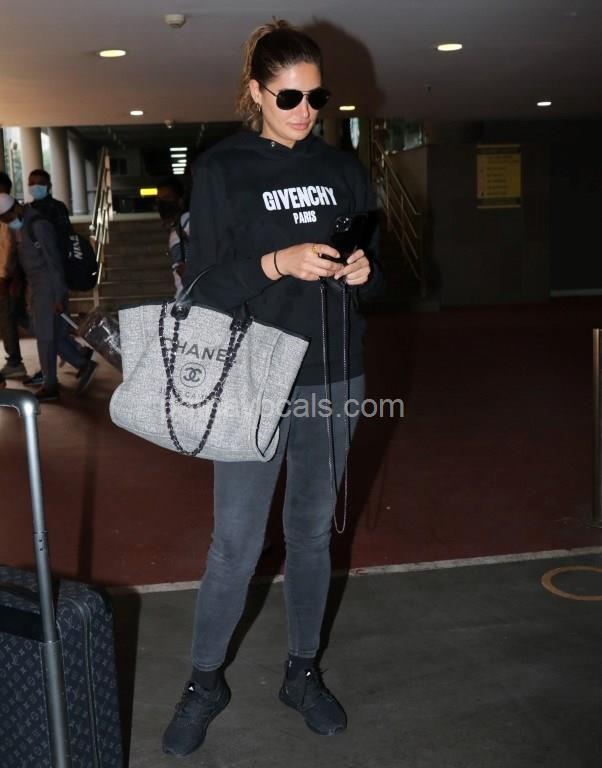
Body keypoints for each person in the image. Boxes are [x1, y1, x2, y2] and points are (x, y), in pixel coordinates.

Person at [161, 20, 384, 758]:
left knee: (313, 532)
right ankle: (203, 682)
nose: (305, 110)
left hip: (334, 371)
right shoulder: (222, 170)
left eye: (316, 97)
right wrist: (278, 262)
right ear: (257, 91)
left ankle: (302, 672)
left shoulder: (342, 167)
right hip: (252, 373)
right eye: (289, 96)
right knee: (235, 543)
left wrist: (364, 271)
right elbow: (201, 287)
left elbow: (375, 265)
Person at [0, 193, 97, 402]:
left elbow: (54, 263)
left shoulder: (38, 226)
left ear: (15, 208)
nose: (7, 223)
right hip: (36, 289)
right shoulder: (22, 226)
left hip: (49, 289)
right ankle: (82, 363)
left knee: (45, 339)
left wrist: (58, 296)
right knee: (54, 336)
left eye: (7, 218)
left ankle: (50, 385)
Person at [22, 168, 93, 387]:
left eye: (40, 183)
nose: (35, 187)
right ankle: (73, 360)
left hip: (54, 275)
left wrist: (60, 281)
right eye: (31, 183)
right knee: (53, 331)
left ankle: (73, 363)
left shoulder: (55, 209)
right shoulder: (30, 210)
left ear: (49, 186)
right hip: (43, 277)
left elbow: (62, 243)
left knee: (48, 332)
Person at [0, 171, 28, 380]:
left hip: (7, 277)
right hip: (10, 275)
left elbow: (8, 247)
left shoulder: (5, 211)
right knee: (15, 317)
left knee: (8, 317)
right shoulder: (9, 209)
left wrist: (4, 276)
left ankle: (14, 362)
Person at [156, 177, 190, 296]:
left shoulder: (187, 221)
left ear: (180, 200)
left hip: (194, 297)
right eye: (159, 200)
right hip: (185, 296)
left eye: (167, 198)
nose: (163, 204)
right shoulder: (176, 228)